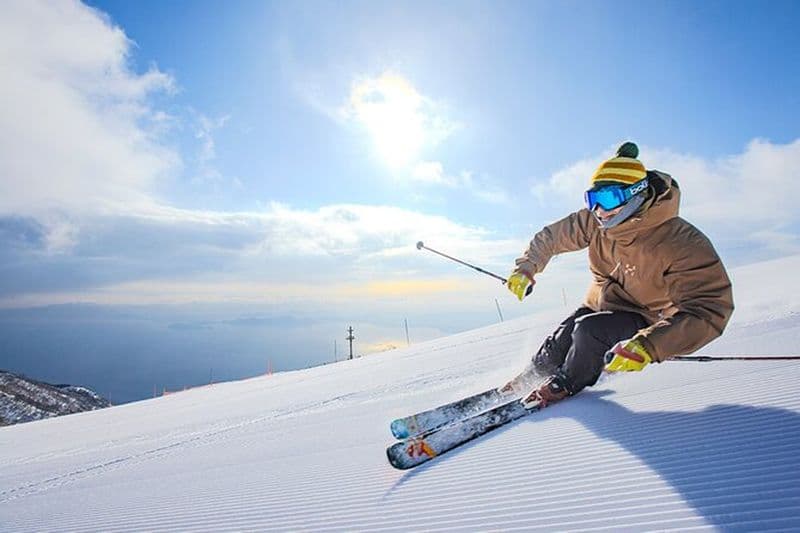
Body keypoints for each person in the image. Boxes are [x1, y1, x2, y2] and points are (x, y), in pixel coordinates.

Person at [504, 142, 734, 406]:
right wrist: (526, 268)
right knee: (562, 337)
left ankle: (565, 383)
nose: (599, 210)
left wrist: (650, 345)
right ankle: (532, 375)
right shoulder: (594, 222)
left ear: (637, 194)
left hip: (645, 315)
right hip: (600, 302)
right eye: (592, 200)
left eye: (609, 198)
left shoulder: (680, 242)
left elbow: (709, 308)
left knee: (589, 332)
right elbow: (551, 238)